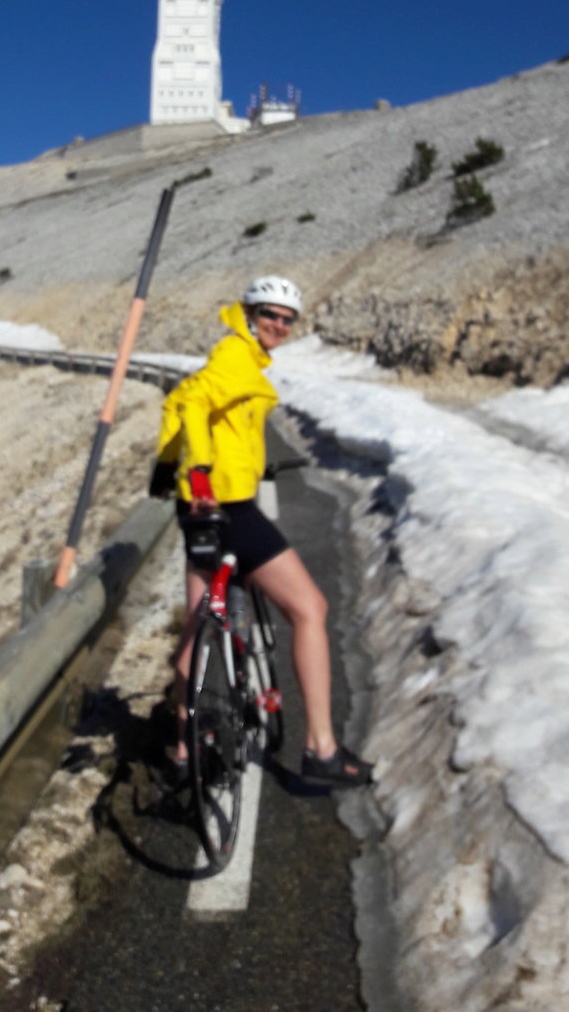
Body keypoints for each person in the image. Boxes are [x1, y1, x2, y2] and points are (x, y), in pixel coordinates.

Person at [151, 275, 372, 787]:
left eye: (287, 318)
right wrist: (204, 473)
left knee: (200, 621)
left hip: (198, 507)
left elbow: (180, 401)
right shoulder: (235, 355)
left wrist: (169, 469)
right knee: (310, 608)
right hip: (226, 505)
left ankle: (185, 749)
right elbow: (194, 405)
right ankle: (321, 748)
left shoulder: (237, 355)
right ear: (247, 312)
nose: (278, 324)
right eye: (269, 313)